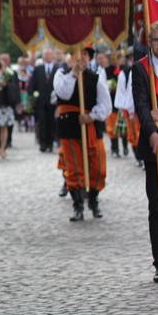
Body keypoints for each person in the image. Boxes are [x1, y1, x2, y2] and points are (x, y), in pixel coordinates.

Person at [54, 45, 111, 221]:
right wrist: (74, 74)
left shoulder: (96, 78)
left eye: (85, 54)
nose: (81, 57)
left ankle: (93, 201)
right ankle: (77, 205)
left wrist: (92, 116)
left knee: (97, 167)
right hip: (70, 128)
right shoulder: (62, 74)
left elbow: (106, 105)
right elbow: (63, 94)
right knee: (74, 168)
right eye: (78, 54)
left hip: (91, 127)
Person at [132, 22, 158, 282]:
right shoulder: (141, 68)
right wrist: (152, 130)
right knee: (157, 207)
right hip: (155, 149)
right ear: (149, 42)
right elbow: (141, 103)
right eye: (156, 40)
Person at [29, 49, 58, 152]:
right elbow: (32, 83)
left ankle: (50, 142)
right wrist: (32, 97)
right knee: (42, 122)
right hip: (41, 101)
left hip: (52, 101)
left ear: (53, 56)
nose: (48, 57)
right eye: (46, 55)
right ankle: (42, 143)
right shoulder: (38, 69)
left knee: (51, 122)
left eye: (49, 55)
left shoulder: (57, 69)